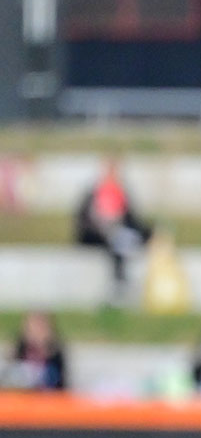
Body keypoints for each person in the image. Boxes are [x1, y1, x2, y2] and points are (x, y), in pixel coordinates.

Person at [74, 158, 153, 304]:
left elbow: (132, 218)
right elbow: (83, 219)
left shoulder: (121, 193)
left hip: (117, 233)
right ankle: (119, 282)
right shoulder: (94, 192)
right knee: (116, 241)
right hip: (96, 234)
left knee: (124, 239)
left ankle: (122, 281)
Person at [5, 311, 68, 390]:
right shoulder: (19, 349)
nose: (37, 330)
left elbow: (61, 384)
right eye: (34, 325)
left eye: (41, 326)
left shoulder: (55, 354)